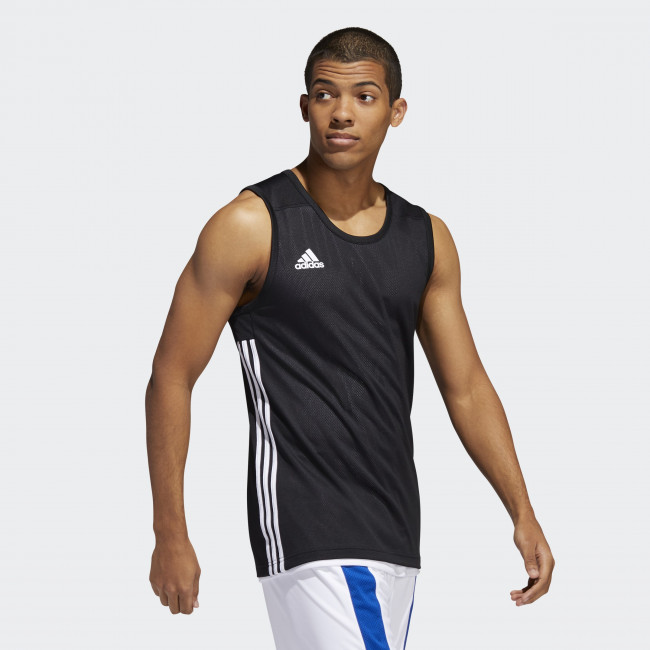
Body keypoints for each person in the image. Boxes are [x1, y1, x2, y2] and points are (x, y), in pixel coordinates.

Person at [146, 26, 555, 648]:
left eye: (364, 96)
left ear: (396, 111)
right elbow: (171, 376)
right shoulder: (251, 225)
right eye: (324, 94)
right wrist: (170, 532)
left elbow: (467, 387)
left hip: (396, 531)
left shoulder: (425, 237)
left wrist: (522, 511)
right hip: (308, 524)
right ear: (304, 105)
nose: (341, 112)